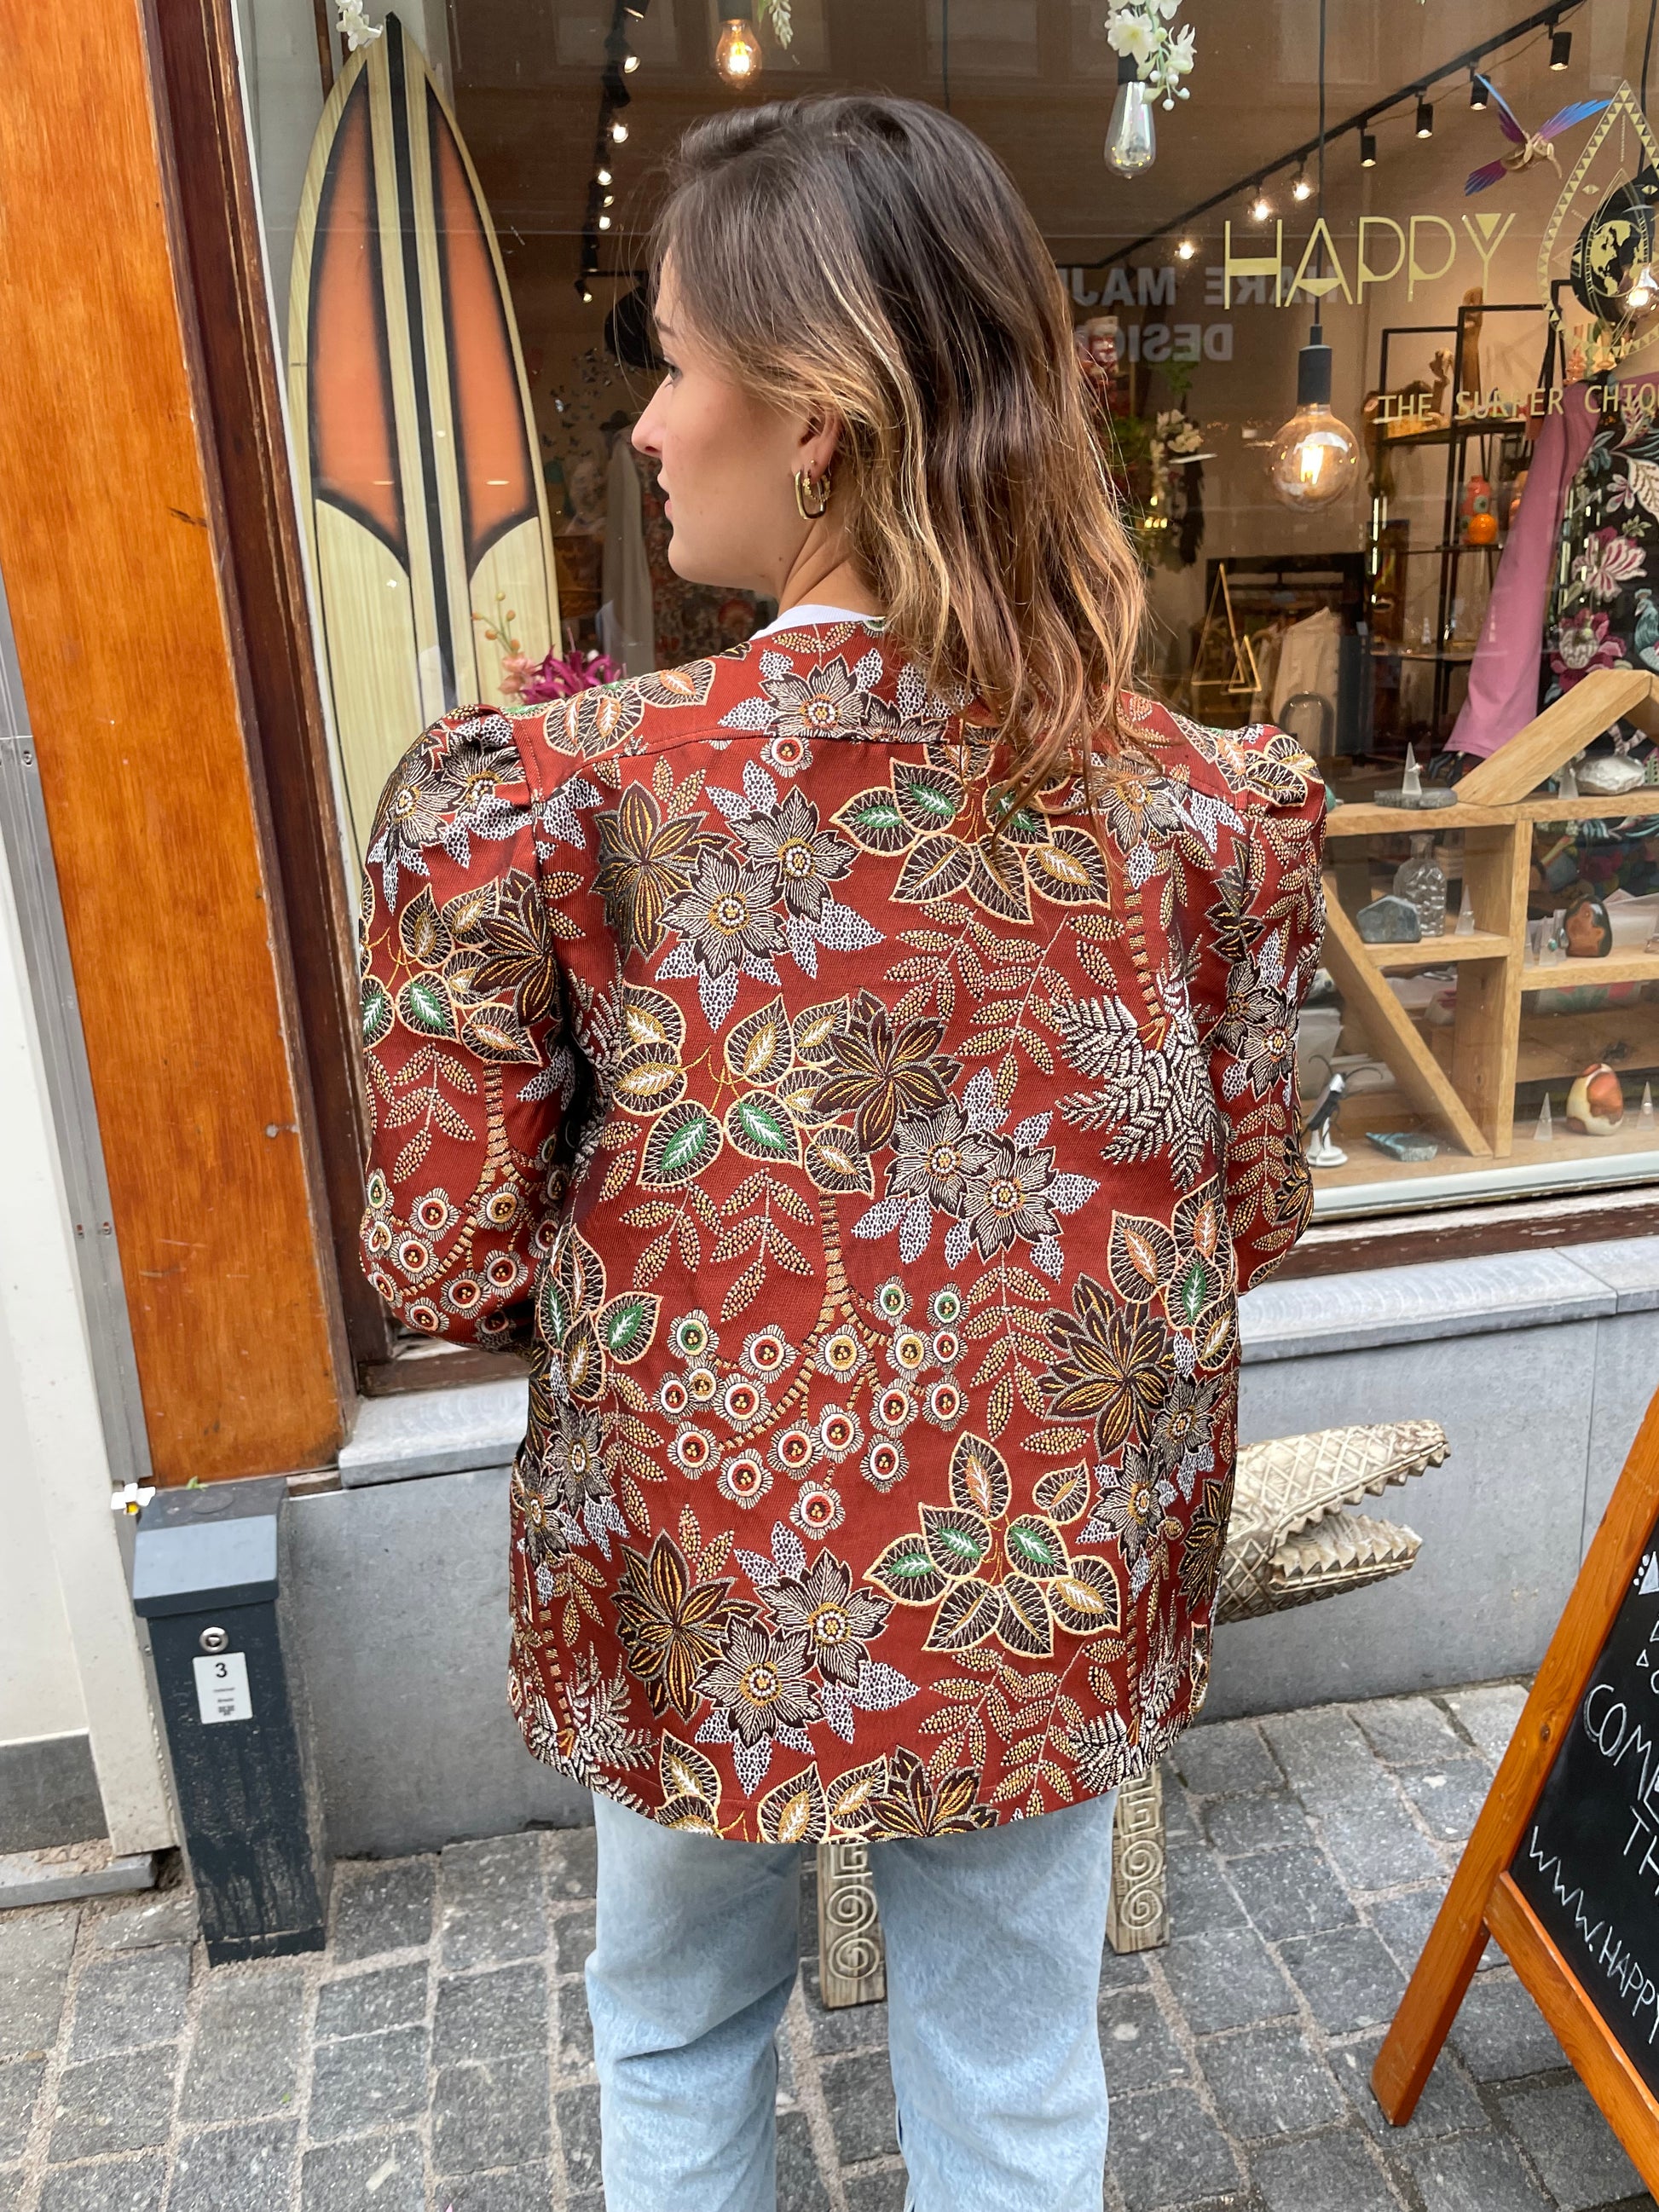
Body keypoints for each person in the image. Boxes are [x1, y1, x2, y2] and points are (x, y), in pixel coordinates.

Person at [358, 94, 1324, 2212]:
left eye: (670, 362)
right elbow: (1242, 1205)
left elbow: (439, 1256)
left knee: (680, 2027)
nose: (643, 424)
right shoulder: (1195, 805)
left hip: (703, 1566)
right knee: (1015, 2059)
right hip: (1037, 1562)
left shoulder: (570, 793)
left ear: (811, 416)